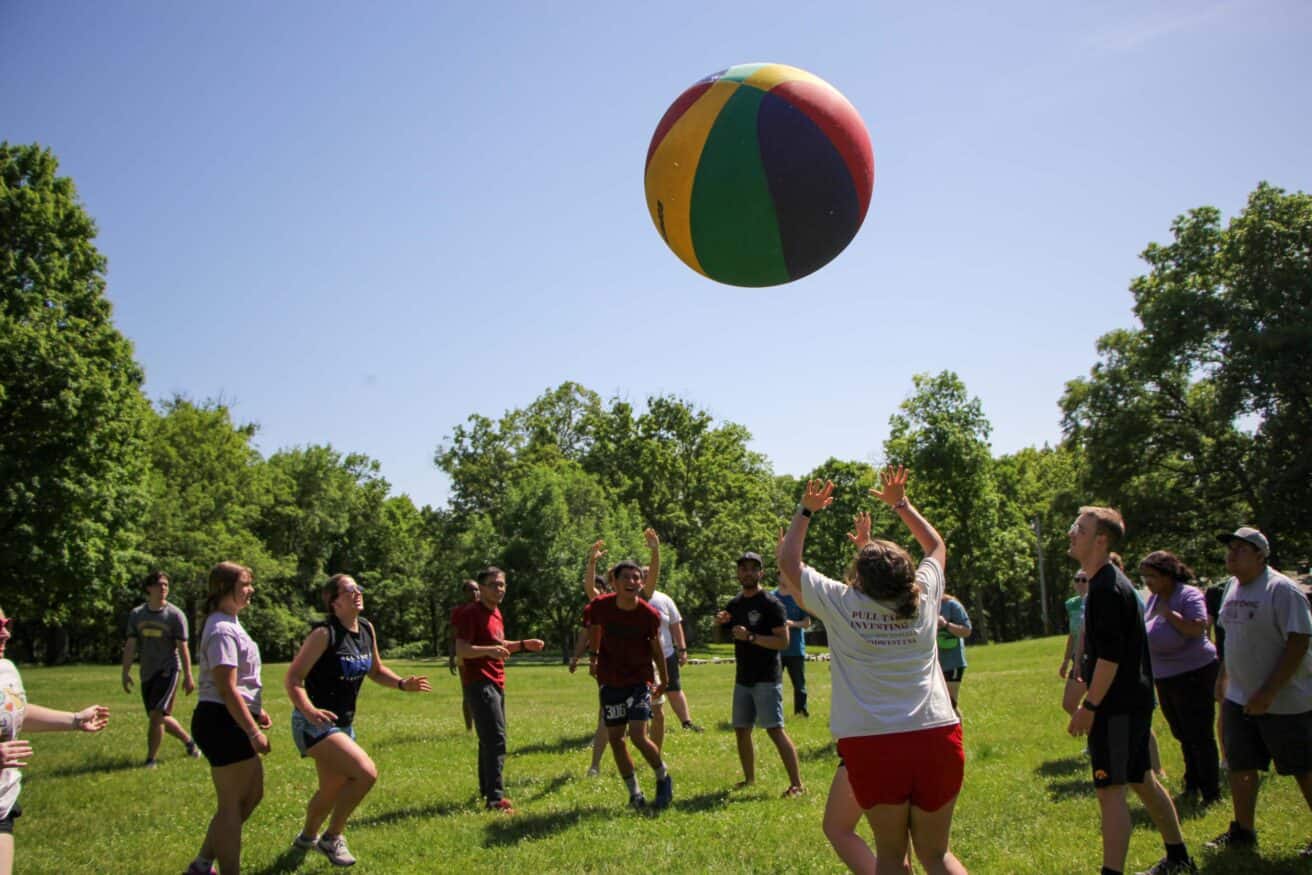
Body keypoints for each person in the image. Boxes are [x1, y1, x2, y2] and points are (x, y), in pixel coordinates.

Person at [778, 468, 963, 874]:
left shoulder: (843, 603)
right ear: (906, 574)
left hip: (875, 744)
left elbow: (789, 563)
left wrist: (805, 512)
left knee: (893, 858)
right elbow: (935, 545)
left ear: (859, 577)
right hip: (937, 734)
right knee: (937, 854)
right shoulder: (925, 595)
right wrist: (902, 504)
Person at [1065, 508, 1196, 875]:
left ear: (1101, 539)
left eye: (1081, 529)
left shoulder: (1107, 588)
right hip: (1130, 702)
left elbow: (1111, 658)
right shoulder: (1107, 583)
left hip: (1116, 707)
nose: (1072, 533)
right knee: (1142, 779)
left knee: (1111, 791)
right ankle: (1179, 858)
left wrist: (1089, 705)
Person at [285, 574, 431, 866]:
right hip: (314, 722)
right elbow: (293, 678)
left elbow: (375, 671)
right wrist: (310, 711)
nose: (358, 593)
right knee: (366, 773)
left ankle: (305, 838)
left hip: (343, 723)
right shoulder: (324, 634)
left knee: (331, 787)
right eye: (350, 590)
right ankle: (332, 838)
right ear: (334, 601)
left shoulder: (365, 629)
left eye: (358, 589)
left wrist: (402, 683)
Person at [1206, 527, 1312, 857]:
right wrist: (1224, 676)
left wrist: (1268, 691)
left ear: (1260, 555)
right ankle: (1243, 830)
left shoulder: (1281, 589)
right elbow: (1231, 638)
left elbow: (1298, 641)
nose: (1231, 554)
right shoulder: (1231, 589)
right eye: (1230, 549)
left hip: (1284, 700)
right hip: (1239, 696)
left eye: (1240, 549)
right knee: (1241, 764)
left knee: (1302, 766)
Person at [0, 606, 110, 875]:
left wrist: (74, 720)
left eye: (7, 624)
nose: (5, 633)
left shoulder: (7, 671)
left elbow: (19, 713)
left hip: (2, 801)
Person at [186, 562, 273, 875]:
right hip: (222, 721)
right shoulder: (222, 628)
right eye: (245, 584)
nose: (251, 590)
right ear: (225, 588)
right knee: (232, 805)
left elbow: (238, 684)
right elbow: (225, 686)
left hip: (230, 716)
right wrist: (252, 730)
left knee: (250, 795)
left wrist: (255, 709)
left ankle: (201, 864)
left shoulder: (229, 623)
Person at [585, 551, 673, 811]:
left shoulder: (648, 614)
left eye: (637, 578)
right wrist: (593, 656)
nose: (632, 581)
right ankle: (634, 793)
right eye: (627, 577)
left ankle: (662, 777)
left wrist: (664, 679)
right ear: (614, 582)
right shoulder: (601, 606)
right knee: (615, 738)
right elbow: (594, 627)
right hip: (610, 679)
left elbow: (656, 647)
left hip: (639, 679)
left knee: (636, 733)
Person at [452, 566, 544, 814]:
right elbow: (462, 649)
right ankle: (495, 799)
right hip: (479, 681)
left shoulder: (496, 613)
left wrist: (523, 645)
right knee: (496, 739)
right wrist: (488, 651)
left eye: (502, 584)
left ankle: (487, 791)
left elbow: (498, 645)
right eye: (494, 584)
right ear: (480, 589)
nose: (499, 589)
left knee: (489, 739)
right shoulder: (471, 613)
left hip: (496, 681)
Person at [716, 550, 804, 798]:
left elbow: (783, 642)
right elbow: (722, 636)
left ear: (760, 573)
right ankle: (749, 779)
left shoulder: (771, 604)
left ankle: (797, 784)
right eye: (743, 569)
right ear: (738, 573)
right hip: (743, 677)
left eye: (753, 568)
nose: (747, 573)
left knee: (774, 729)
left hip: (766, 677)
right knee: (741, 729)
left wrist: (752, 637)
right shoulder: (735, 604)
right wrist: (719, 623)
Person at [1138, 551, 1220, 807]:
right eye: (1144, 577)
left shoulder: (1188, 594)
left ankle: (1210, 790)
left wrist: (1170, 615)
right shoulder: (1153, 600)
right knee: (1182, 732)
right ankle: (1192, 782)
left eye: (1151, 576)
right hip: (1165, 675)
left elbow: (1198, 628)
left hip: (1194, 672)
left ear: (1167, 575)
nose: (1147, 582)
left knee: (1199, 733)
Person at [121, 570, 199, 767]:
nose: (163, 588)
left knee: (156, 715)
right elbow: (130, 644)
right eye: (159, 584)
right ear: (149, 588)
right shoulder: (137, 615)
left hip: (169, 669)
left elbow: (183, 647)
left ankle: (151, 759)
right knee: (159, 717)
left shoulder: (175, 615)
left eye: (166, 585)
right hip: (147, 671)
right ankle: (189, 742)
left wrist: (188, 675)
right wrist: (125, 672)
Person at [638, 541, 704, 739]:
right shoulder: (635, 598)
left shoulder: (664, 599)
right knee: (645, 692)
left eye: (652, 574)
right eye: (645, 575)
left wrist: (682, 649)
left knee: (674, 689)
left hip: (666, 653)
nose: (649, 578)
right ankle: (642, 725)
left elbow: (676, 624)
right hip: (643, 656)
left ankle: (686, 722)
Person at [571, 552, 612, 776]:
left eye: (600, 586)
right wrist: (592, 562)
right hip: (604, 661)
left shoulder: (619, 605)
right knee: (605, 703)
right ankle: (596, 759)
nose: (595, 590)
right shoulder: (592, 608)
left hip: (626, 663)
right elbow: (584, 635)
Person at [774, 573, 812, 717]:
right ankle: (775, 712)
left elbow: (807, 623)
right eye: (782, 575)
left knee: (799, 685)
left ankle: (801, 712)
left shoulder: (798, 597)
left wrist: (792, 624)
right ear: (778, 577)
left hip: (796, 650)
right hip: (776, 649)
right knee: (774, 685)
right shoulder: (771, 597)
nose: (785, 577)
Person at [449, 579, 479, 732]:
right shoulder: (458, 611)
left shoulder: (485, 609)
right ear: (464, 593)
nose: (474, 593)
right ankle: (469, 728)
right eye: (471, 590)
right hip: (464, 657)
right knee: (468, 692)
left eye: (476, 589)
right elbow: (454, 635)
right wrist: (451, 656)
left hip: (482, 655)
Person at [1061, 571, 1091, 716]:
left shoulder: (1096, 601)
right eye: (1077, 579)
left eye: (1084, 580)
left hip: (1093, 657)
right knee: (1068, 704)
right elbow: (1073, 634)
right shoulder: (1071, 604)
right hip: (1077, 658)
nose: (1080, 583)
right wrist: (1066, 660)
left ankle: (1100, 732)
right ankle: (1094, 728)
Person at [937, 592, 972, 714]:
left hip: (952, 663)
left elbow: (966, 631)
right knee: (939, 705)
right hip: (934, 664)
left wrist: (945, 624)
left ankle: (958, 733)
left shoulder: (952, 605)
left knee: (950, 705)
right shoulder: (926, 606)